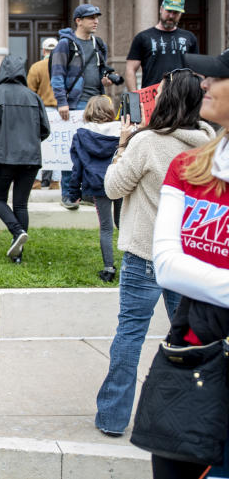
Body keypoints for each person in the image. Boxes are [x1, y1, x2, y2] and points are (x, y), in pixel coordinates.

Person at [95, 69, 212, 439]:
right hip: (190, 256)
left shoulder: (147, 143)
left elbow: (113, 188)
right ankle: (192, 416)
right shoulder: (210, 142)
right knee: (191, 339)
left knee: (130, 333)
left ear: (167, 99)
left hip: (146, 253)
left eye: (157, 92)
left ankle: (113, 418)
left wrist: (123, 145)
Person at [152, 47, 229, 479]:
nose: (205, 83)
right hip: (196, 358)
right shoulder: (188, 166)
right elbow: (167, 266)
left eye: (218, 77)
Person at [0, 55, 50, 263]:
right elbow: (45, 130)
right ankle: (18, 253)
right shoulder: (33, 96)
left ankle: (17, 231)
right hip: (30, 157)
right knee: (21, 204)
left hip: (3, 155)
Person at [50, 4, 114, 209]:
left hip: (97, 104)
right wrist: (62, 102)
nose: (95, 21)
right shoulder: (65, 44)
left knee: (92, 149)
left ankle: (87, 192)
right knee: (71, 151)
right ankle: (69, 194)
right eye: (90, 18)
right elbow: (57, 75)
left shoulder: (98, 43)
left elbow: (102, 68)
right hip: (75, 105)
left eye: (96, 17)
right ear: (78, 20)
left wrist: (106, 79)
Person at [65, 96, 122, 281]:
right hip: (121, 181)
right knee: (124, 224)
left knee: (106, 227)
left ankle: (109, 269)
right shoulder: (123, 132)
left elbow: (77, 167)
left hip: (99, 186)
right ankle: (133, 264)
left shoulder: (81, 135)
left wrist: (74, 193)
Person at [125, 0, 200, 91]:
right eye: (168, 11)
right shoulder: (143, 37)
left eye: (176, 13)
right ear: (161, 9)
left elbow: (197, 69)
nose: (171, 16)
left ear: (181, 14)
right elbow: (130, 69)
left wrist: (197, 94)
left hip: (182, 95)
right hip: (152, 96)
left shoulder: (189, 37)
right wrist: (134, 98)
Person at [27, 37, 59, 187]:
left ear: (43, 51)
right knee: (58, 147)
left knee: (39, 146)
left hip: (42, 110)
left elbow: (30, 92)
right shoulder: (63, 66)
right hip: (61, 111)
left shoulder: (36, 67)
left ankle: (37, 179)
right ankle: (55, 181)